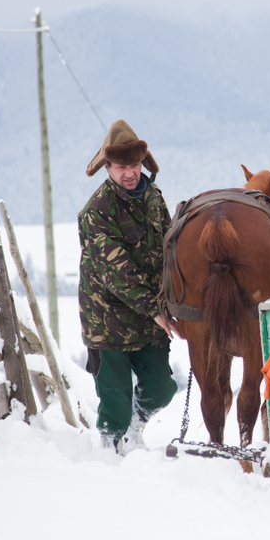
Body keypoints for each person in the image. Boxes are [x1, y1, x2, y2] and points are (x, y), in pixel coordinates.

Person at [79, 119, 179, 454]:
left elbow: (169, 253)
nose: (130, 173)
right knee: (114, 402)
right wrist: (157, 310)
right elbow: (118, 272)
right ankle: (110, 450)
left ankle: (134, 429)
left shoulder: (153, 199)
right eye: (122, 167)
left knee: (162, 388)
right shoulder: (96, 212)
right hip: (107, 321)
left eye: (135, 165)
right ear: (107, 166)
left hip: (148, 320)